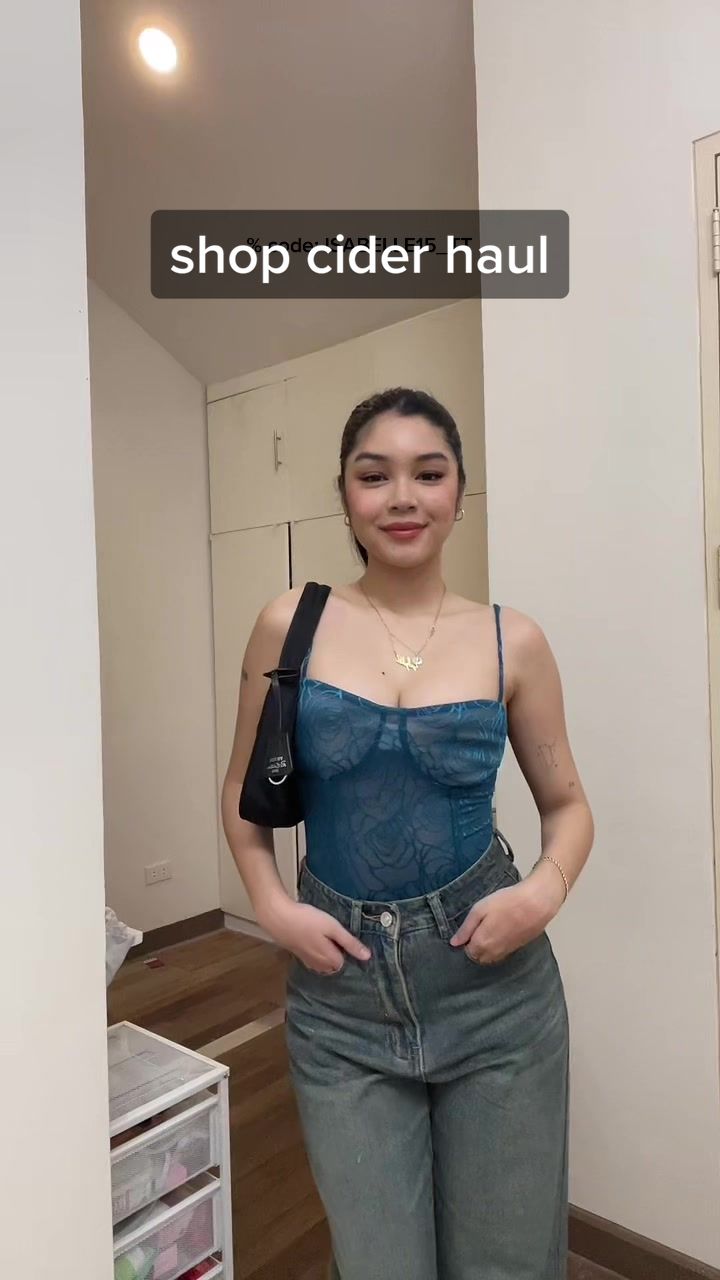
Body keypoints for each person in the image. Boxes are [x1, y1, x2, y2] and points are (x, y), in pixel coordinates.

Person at [221, 387, 594, 1280]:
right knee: (379, 1262)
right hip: (341, 1001)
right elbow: (240, 787)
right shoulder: (289, 625)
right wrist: (271, 907)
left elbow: (569, 806)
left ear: (459, 493)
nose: (402, 498)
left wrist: (541, 895)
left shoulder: (512, 641)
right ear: (345, 494)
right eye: (374, 475)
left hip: (495, 995)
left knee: (506, 1262)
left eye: (428, 474)